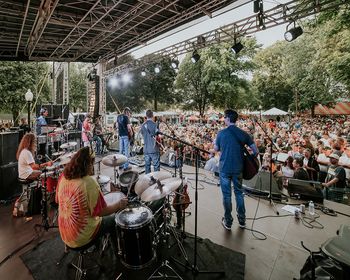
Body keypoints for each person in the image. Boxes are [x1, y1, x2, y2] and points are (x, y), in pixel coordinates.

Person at [56, 147, 128, 249]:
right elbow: (100, 212)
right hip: (81, 237)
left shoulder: (63, 177)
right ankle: (118, 252)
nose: (92, 168)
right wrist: (118, 205)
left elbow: (57, 200)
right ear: (86, 165)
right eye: (91, 164)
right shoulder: (88, 183)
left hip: (65, 234)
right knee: (113, 220)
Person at [214, 109, 258, 230]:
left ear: (227, 118)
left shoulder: (221, 133)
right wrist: (249, 159)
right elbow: (256, 151)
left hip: (225, 169)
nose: (223, 119)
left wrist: (217, 144)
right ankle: (242, 221)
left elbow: (216, 149)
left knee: (226, 195)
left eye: (224, 117)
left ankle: (228, 222)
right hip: (238, 168)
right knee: (239, 193)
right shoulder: (244, 134)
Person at [140, 109, 160, 174]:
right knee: (156, 166)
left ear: (146, 116)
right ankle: (157, 181)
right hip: (153, 149)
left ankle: (148, 181)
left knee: (147, 166)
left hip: (146, 149)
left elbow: (143, 135)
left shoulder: (142, 125)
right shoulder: (155, 125)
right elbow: (157, 136)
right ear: (153, 116)